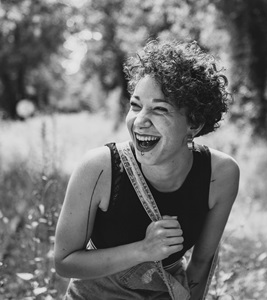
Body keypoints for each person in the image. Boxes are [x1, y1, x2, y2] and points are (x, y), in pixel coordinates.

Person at [54, 40, 240, 300]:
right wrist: (143, 250)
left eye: (160, 109)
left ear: (194, 124)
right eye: (135, 105)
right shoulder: (98, 169)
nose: (140, 121)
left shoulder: (220, 174)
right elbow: (64, 262)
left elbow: (201, 263)